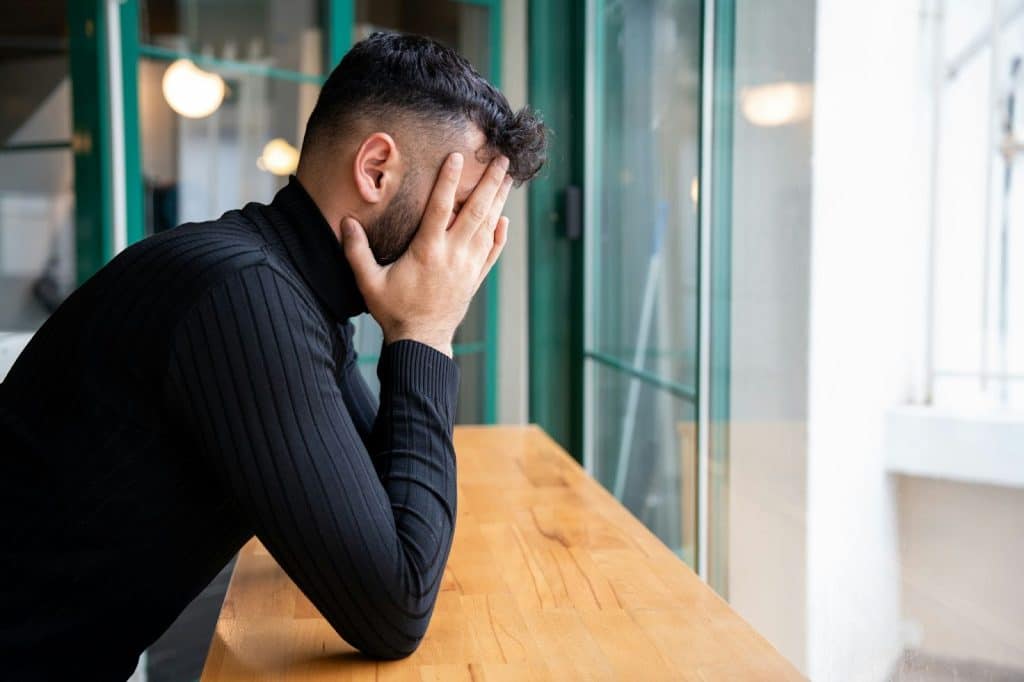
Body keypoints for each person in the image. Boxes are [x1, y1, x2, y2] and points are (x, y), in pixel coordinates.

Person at [0, 31, 547, 680]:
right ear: (376, 169)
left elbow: (388, 507)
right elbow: (395, 607)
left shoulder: (286, 287)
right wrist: (427, 331)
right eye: (459, 209)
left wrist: (421, 326)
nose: (469, 245)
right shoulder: (242, 295)